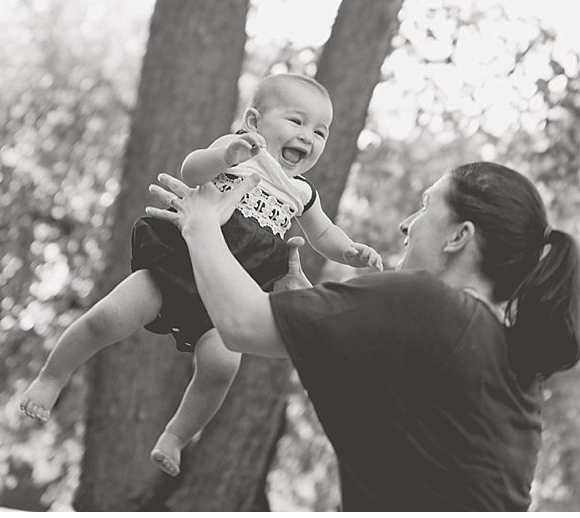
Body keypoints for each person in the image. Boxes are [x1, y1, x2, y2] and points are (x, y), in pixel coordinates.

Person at [143, 161, 580, 511]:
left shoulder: (426, 302)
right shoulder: (501, 353)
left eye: (427, 206)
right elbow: (394, 437)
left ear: (459, 236)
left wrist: (200, 224)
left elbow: (241, 324)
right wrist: (310, 315)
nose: (407, 224)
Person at [19, 73, 382, 477]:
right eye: (297, 122)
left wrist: (349, 250)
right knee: (109, 317)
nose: (309, 137)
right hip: (180, 263)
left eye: (320, 131)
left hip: (230, 293)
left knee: (222, 368)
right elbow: (191, 169)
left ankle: (175, 436)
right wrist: (227, 158)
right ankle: (52, 377)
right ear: (254, 121)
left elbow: (324, 233)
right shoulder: (239, 149)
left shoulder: (302, 193)